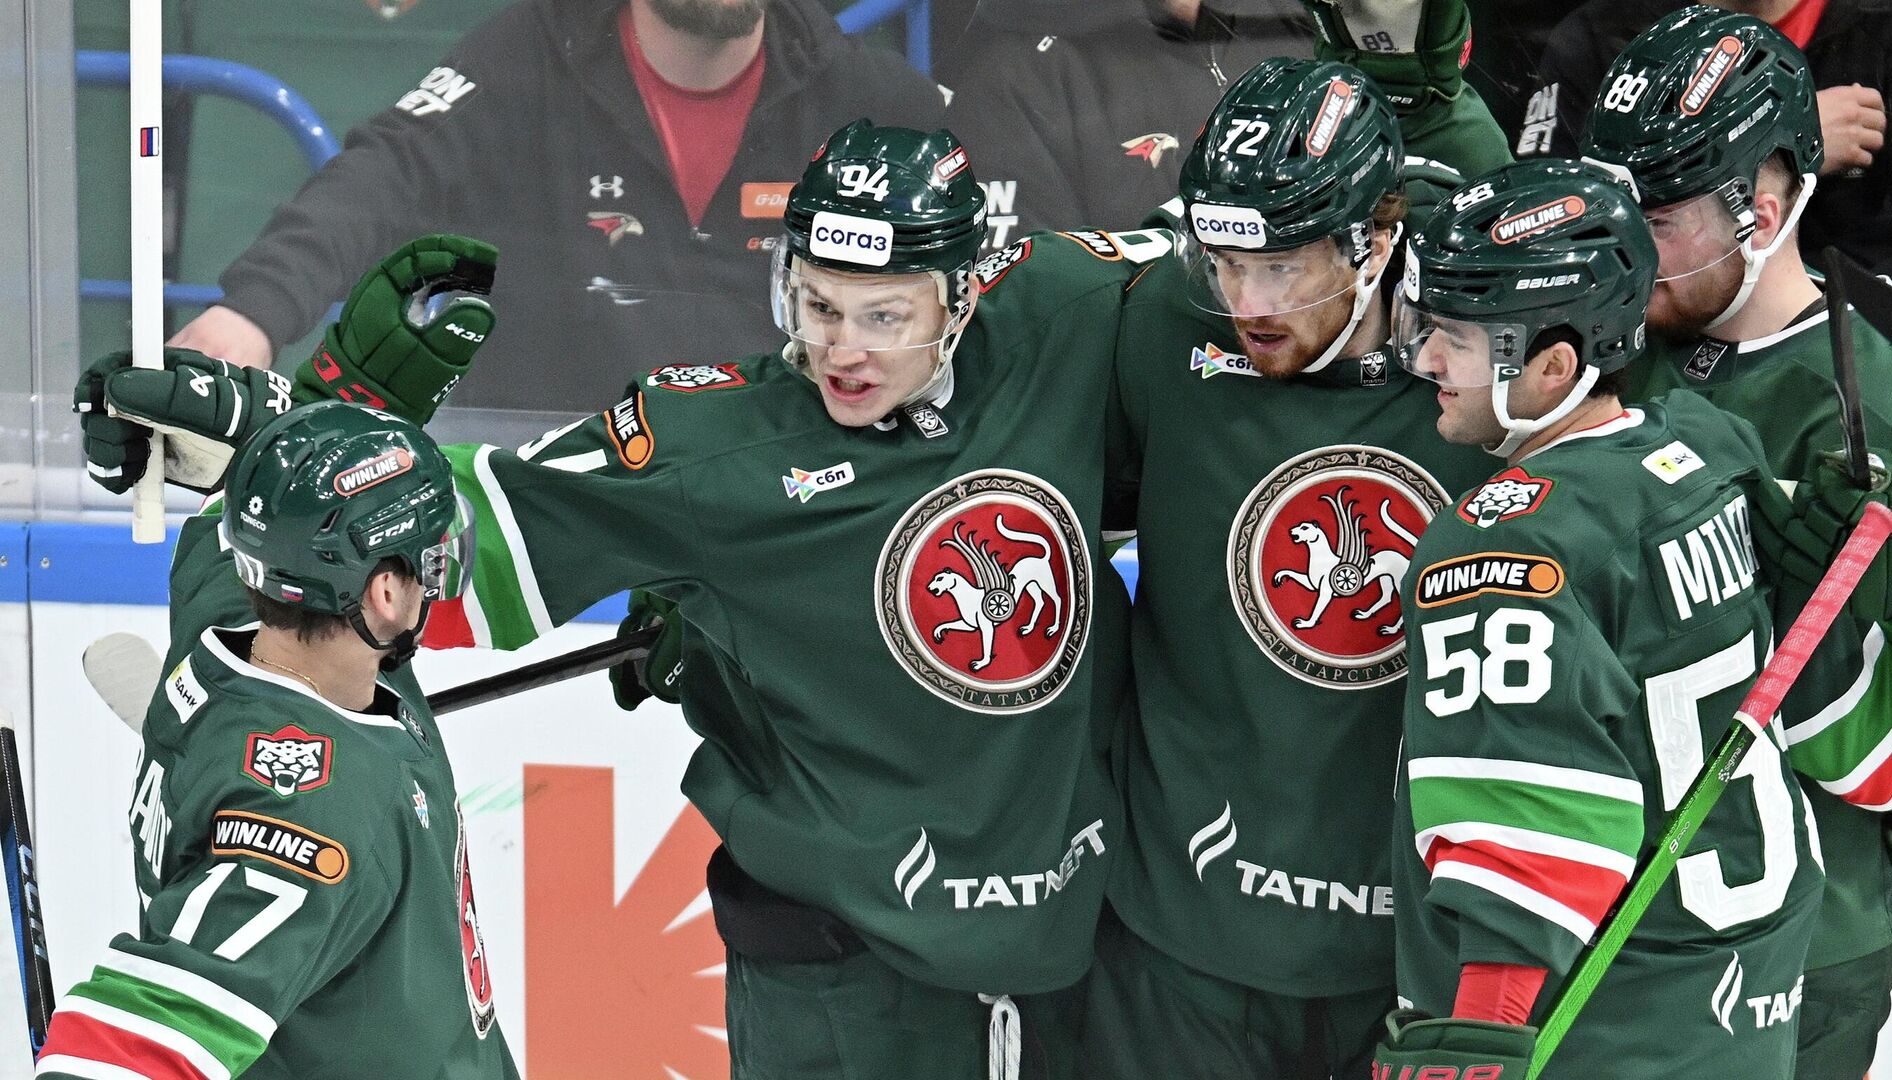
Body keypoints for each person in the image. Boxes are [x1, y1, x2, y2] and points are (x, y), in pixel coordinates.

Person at [86, 120, 1145, 1079]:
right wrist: (282, 430)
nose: (843, 350)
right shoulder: (710, 447)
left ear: (964, 293)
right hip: (840, 988)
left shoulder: (1063, 312)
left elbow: (1219, 263)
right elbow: (424, 544)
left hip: (1079, 953)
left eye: (885, 316)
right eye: (819, 305)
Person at [1083, 55, 1509, 1078]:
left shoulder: (1496, 349)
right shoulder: (1160, 325)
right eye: (1226, 265)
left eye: (1282, 267)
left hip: (1410, 962)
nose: (1248, 301)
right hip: (1182, 944)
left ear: (1378, 238)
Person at [1377, 157, 1828, 1078]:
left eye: (1456, 338)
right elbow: (1828, 687)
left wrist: (1482, 1035)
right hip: (1748, 998)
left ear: (1552, 366)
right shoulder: (1707, 446)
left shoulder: (1507, 543)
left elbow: (1531, 821)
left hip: (1600, 1026)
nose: (1425, 361)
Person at [1581, 10, 1892, 1074]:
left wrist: (1831, 647)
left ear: (1762, 213)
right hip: (1612, 929)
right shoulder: (1604, 351)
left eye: (1658, 218)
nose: (1624, 249)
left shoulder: (1886, 417)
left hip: (1805, 950)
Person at [39, 395, 513, 1080]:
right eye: (432, 560)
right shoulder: (321, 811)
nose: (440, 578)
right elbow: (140, 1043)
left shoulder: (219, 614)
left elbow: (266, 494)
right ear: (384, 593)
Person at [165, 0, 946, 413]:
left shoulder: (874, 104)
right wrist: (252, 315)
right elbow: (385, 172)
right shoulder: (522, 58)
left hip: (778, 511)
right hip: (555, 508)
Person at [943, 0, 1509, 248]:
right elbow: (1034, 305)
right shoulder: (1015, 74)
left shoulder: (1323, 21)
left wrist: (1438, 113)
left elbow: (1466, 203)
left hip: (1353, 371)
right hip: (1169, 392)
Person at [1514, 0, 1892, 272]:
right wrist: (1783, 138)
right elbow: (1544, 228)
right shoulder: (1599, 38)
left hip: (1845, 337)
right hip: (1649, 345)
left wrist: (1805, 311)